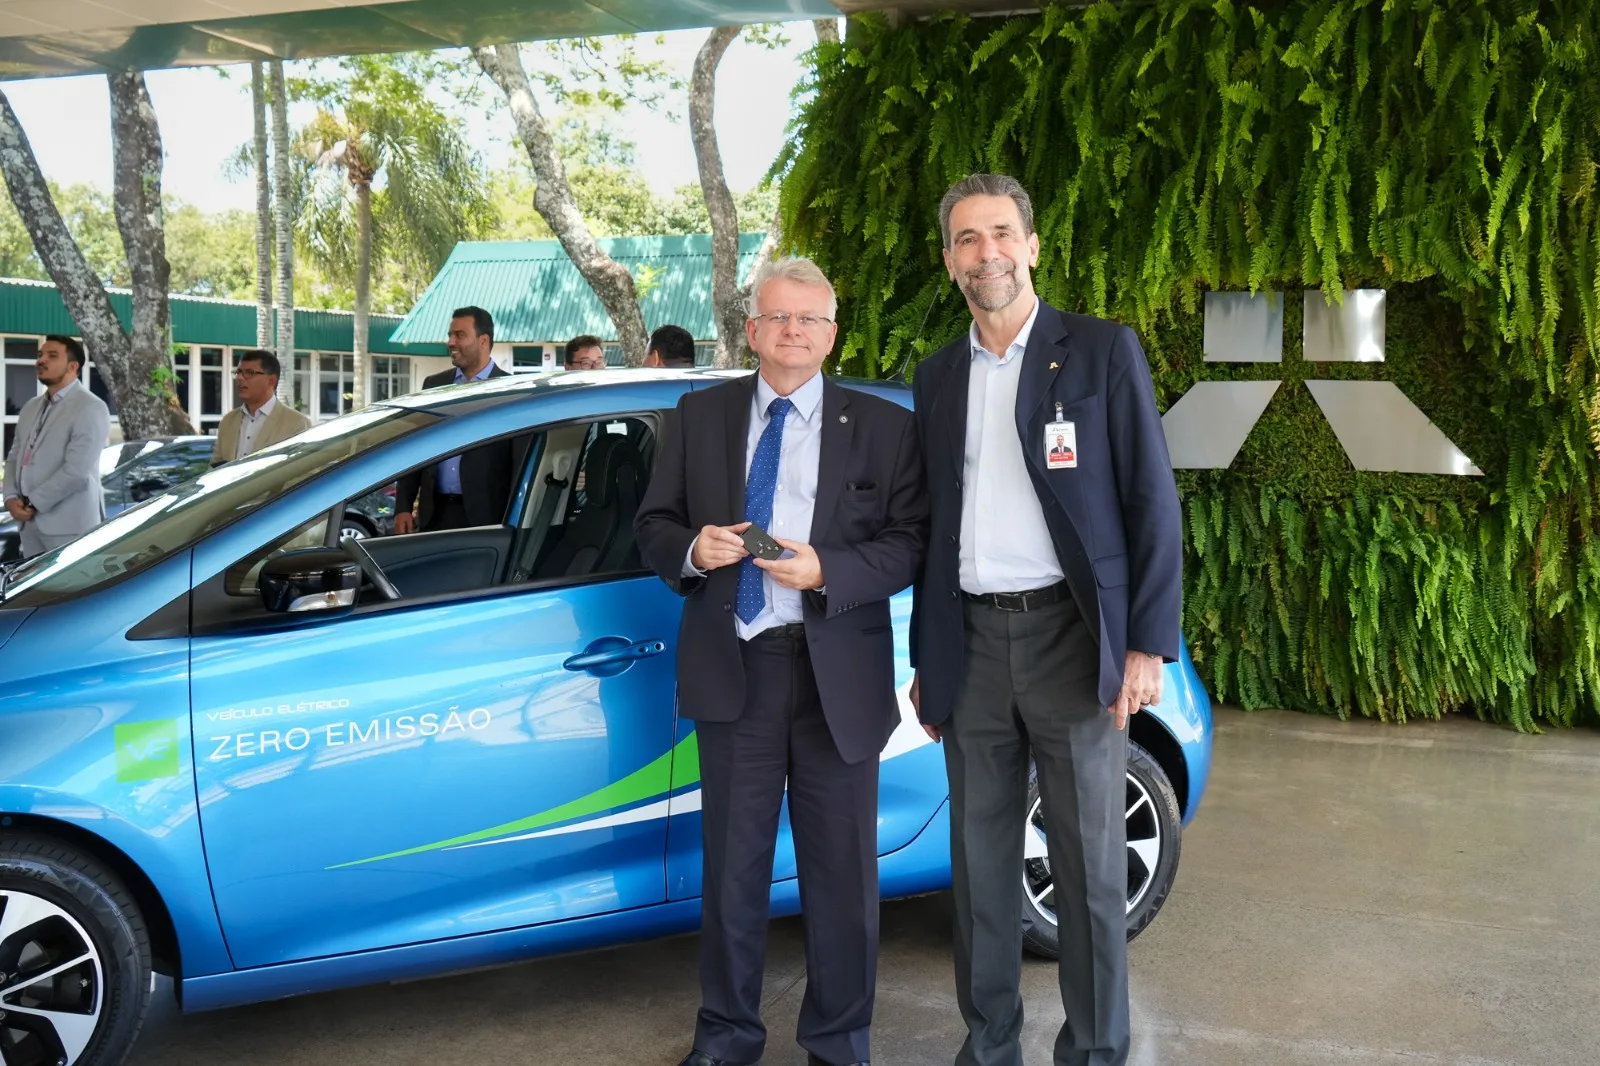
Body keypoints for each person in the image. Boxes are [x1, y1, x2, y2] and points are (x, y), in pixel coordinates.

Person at [909, 174, 1182, 1066]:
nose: (984, 252)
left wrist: (1146, 643)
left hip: (1073, 643)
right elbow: (931, 527)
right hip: (974, 647)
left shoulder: (1100, 352)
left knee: (1089, 873)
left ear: (1031, 245)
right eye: (965, 239)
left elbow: (1151, 501)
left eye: (999, 233)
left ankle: (1096, 1052)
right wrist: (928, 655)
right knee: (982, 874)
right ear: (950, 262)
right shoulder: (940, 375)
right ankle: (989, 1047)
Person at [636, 257, 926, 1066]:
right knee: (732, 872)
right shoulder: (699, 415)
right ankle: (727, 1038)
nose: (793, 331)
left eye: (810, 319)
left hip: (839, 678)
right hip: (738, 670)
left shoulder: (884, 426)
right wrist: (693, 548)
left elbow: (908, 544)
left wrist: (827, 568)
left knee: (842, 881)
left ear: (832, 335)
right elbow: (652, 524)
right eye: (778, 317)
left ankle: (838, 1044)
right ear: (753, 330)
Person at [394, 306, 514, 533]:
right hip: (434, 517)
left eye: (460, 335)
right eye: (450, 335)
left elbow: (518, 463)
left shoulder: (510, 391)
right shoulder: (433, 386)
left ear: (483, 340)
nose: (451, 342)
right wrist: (403, 507)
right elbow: (416, 448)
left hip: (487, 521)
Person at [2, 335, 112, 558]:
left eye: (52, 356)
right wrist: (10, 497)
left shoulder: (91, 407)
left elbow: (76, 471)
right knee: (35, 592)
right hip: (29, 526)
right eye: (40, 355)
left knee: (71, 592)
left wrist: (32, 503)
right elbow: (14, 456)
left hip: (69, 527)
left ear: (72, 367)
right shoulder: (31, 406)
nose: (41, 360)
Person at [210, 350, 311, 466]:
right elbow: (213, 468)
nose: (240, 378)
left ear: (271, 380)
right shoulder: (228, 421)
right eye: (238, 372)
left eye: (249, 373)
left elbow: (303, 473)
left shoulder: (297, 423)